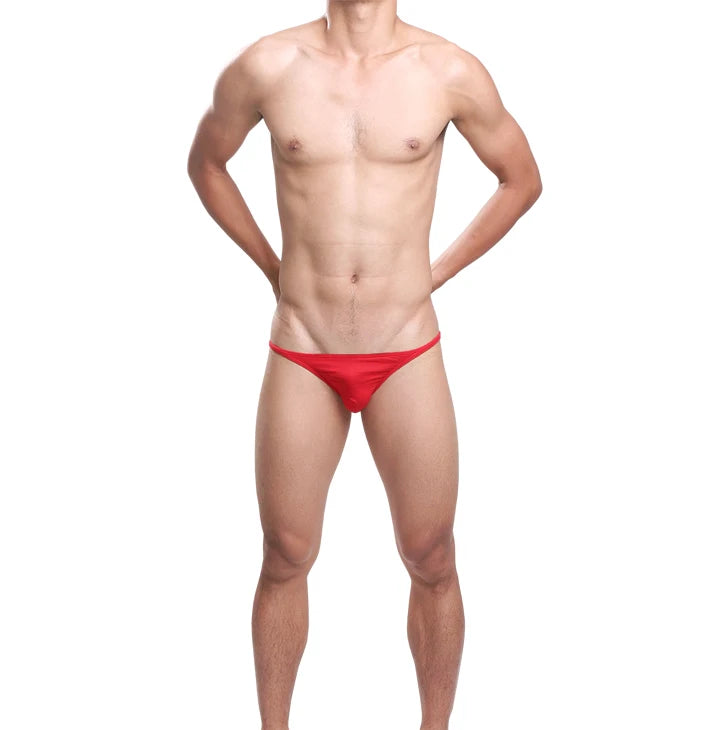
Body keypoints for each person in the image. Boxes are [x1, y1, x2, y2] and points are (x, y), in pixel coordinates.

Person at [187, 1, 542, 728]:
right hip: (305, 343)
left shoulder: (447, 70)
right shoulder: (268, 64)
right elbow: (207, 164)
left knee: (432, 555)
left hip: (406, 343)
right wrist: (270, 266)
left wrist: (437, 273)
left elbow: (521, 179)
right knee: (284, 554)